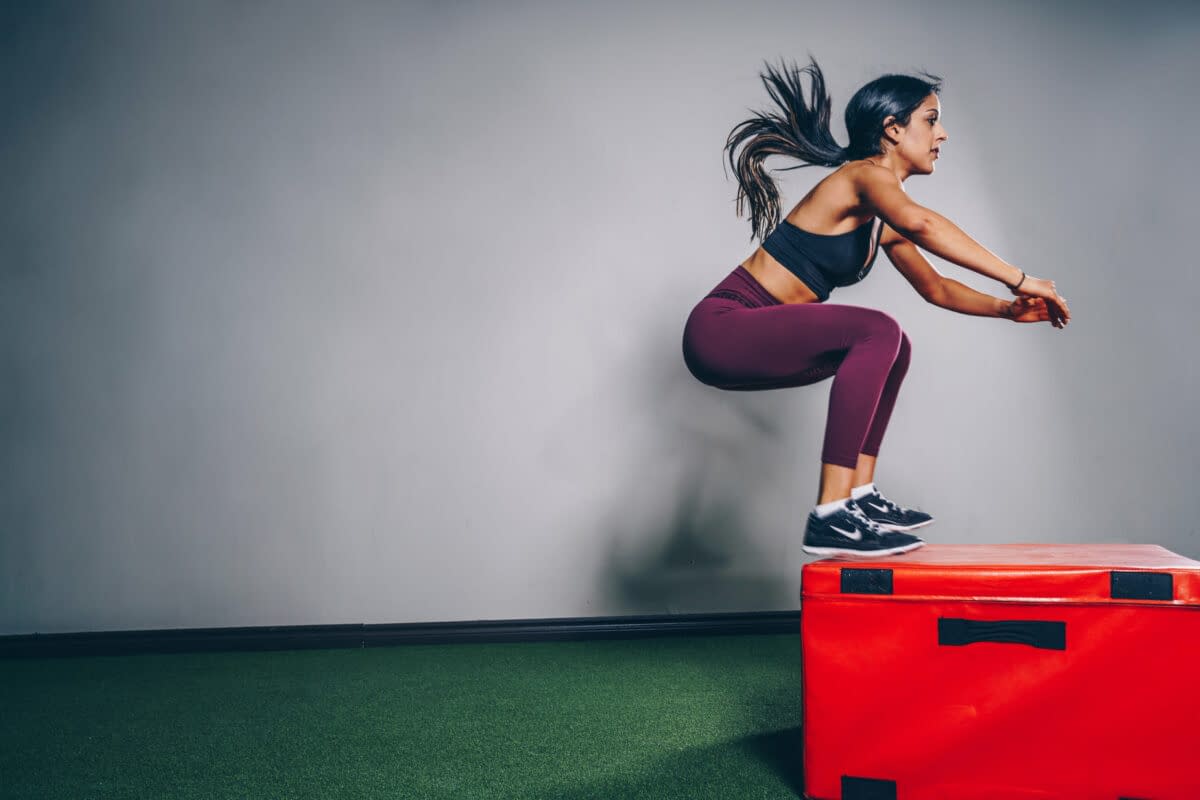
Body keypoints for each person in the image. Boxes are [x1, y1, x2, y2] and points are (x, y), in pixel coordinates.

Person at [681, 57, 1071, 558]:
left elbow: (936, 288)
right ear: (892, 129)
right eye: (931, 120)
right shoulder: (861, 178)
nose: (943, 134)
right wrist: (1022, 278)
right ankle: (831, 515)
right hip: (722, 329)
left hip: (743, 339)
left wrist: (1006, 308)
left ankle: (858, 498)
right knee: (877, 329)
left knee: (896, 345)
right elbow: (925, 225)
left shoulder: (877, 216)